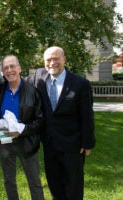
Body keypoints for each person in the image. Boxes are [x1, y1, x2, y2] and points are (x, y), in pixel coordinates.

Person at [30, 46, 96, 200]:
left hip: (73, 145)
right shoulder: (38, 77)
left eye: (56, 58)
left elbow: (87, 116)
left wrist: (87, 143)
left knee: (74, 187)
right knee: (55, 185)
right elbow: (18, 83)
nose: (52, 63)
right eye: (48, 60)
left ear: (64, 59)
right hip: (49, 143)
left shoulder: (80, 84)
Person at [0, 55, 44, 200]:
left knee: (34, 181)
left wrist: (22, 129)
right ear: (3, 71)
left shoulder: (32, 91)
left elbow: (40, 120)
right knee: (9, 180)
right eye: (6, 68)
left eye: (12, 66)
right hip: (5, 141)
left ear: (19, 68)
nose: (9, 70)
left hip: (27, 142)